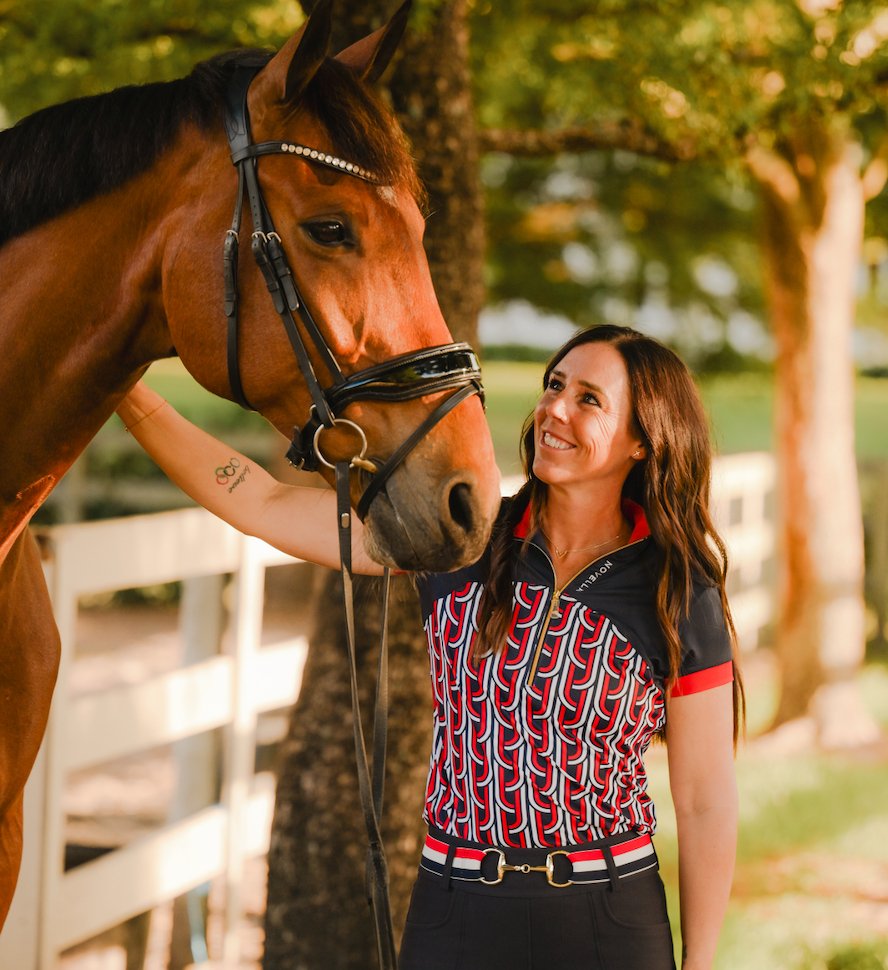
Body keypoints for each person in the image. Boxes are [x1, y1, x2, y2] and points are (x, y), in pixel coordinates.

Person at [117, 324, 743, 970]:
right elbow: (261, 501)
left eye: (590, 399)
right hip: (455, 910)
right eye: (554, 385)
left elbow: (704, 800)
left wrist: (698, 963)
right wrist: (124, 391)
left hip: (604, 920)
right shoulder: (460, 537)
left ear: (643, 440)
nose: (555, 407)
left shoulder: (677, 590)